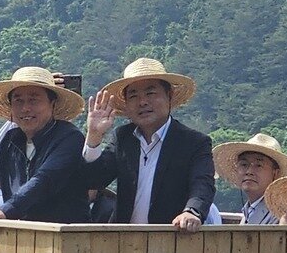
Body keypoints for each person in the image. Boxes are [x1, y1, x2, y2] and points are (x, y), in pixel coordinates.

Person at [0, 66, 92, 223]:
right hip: (22, 237)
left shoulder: (68, 138)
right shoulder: (11, 141)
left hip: (65, 238)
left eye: (34, 100)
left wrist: (5, 211)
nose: (25, 108)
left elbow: (45, 180)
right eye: (18, 101)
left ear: (52, 104)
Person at [82, 58, 215, 231]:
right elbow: (93, 179)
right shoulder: (123, 138)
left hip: (172, 242)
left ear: (169, 96)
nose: (142, 102)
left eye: (150, 93)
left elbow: (202, 184)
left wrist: (192, 212)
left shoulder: (194, 143)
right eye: (133, 96)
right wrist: (94, 136)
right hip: (123, 243)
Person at [212, 133, 287, 226]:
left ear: (275, 173)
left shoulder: (282, 215)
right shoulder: (248, 210)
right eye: (244, 165)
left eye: (259, 165)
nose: (249, 171)